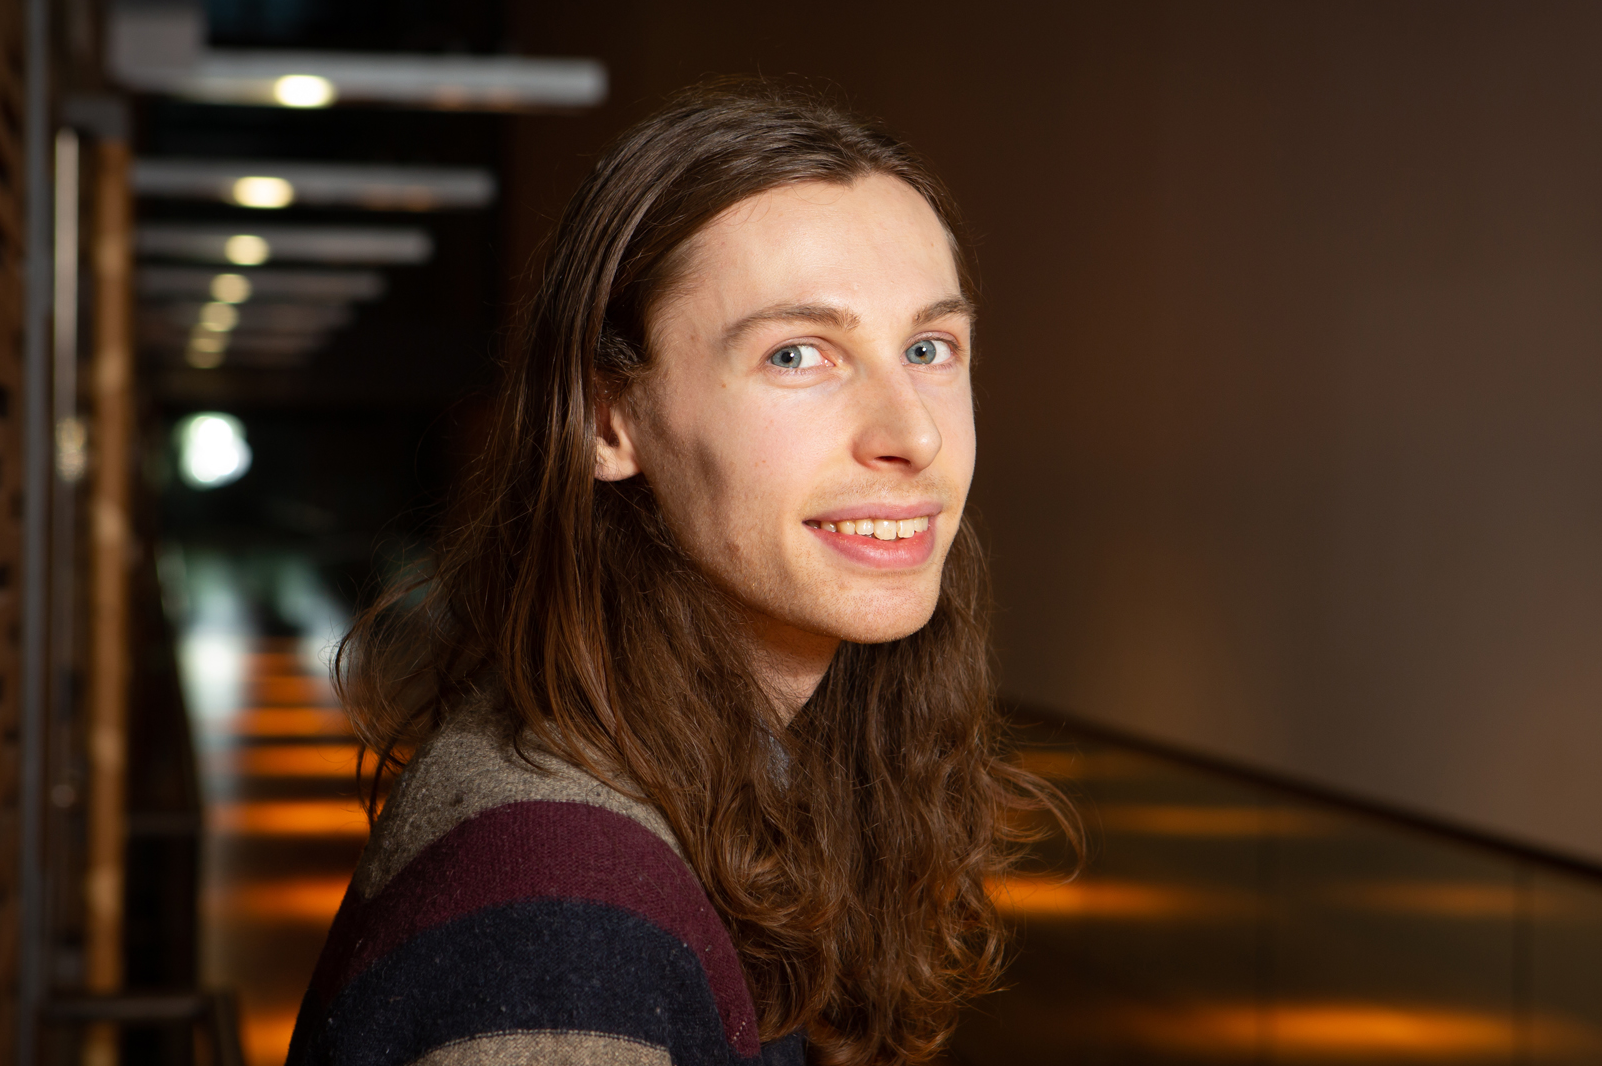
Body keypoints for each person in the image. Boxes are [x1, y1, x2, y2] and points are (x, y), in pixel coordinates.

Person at [286, 83, 1069, 1066]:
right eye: (798, 354)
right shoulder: (561, 927)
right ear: (609, 421)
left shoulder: (722, 782)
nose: (912, 431)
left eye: (928, 347)